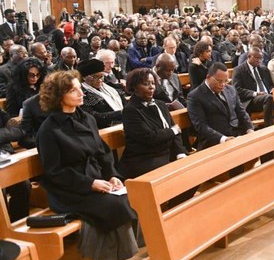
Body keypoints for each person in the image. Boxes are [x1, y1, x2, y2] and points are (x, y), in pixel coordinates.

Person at [36, 71, 139, 260]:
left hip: (94, 179)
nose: (80, 92)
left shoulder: (87, 118)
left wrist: (112, 176)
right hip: (68, 189)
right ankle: (107, 259)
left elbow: (103, 153)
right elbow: (54, 172)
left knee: (131, 196)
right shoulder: (49, 130)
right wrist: (90, 184)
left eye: (79, 87)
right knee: (112, 204)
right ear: (58, 96)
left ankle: (117, 254)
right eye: (73, 90)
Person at [118, 68, 194, 205]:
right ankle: (165, 216)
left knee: (194, 173)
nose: (151, 87)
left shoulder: (160, 105)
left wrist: (180, 153)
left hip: (165, 153)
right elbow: (149, 138)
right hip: (143, 158)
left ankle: (174, 211)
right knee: (176, 177)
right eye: (146, 84)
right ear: (134, 87)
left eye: (153, 83)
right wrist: (172, 131)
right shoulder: (131, 110)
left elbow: (175, 134)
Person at [187, 62, 255, 151]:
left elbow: (241, 112)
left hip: (237, 133)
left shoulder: (230, 89)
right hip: (215, 140)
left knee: (265, 144)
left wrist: (249, 129)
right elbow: (201, 126)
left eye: (226, 81)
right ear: (208, 77)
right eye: (219, 81)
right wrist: (224, 139)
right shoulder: (195, 96)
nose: (223, 84)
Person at [78, 58, 126, 128]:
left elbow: (124, 103)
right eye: (95, 77)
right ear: (84, 78)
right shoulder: (82, 94)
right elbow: (94, 117)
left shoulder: (111, 87)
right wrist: (121, 113)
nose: (100, 80)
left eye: (101, 76)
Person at [232, 47, 274, 120]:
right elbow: (237, 89)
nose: (259, 61)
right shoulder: (239, 70)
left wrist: (272, 89)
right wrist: (255, 93)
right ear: (249, 57)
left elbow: (270, 85)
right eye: (257, 58)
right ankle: (268, 126)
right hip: (251, 100)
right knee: (268, 98)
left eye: (261, 58)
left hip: (268, 95)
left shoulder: (263, 69)